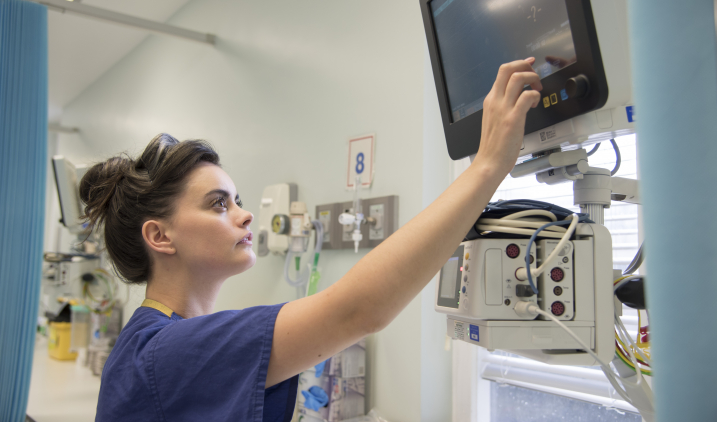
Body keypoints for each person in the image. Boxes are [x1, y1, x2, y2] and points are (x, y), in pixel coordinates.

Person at [85, 59, 542, 421]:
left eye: (237, 199)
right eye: (218, 204)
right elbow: (358, 310)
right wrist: (487, 166)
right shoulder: (164, 351)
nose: (245, 215)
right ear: (160, 236)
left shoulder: (162, 342)